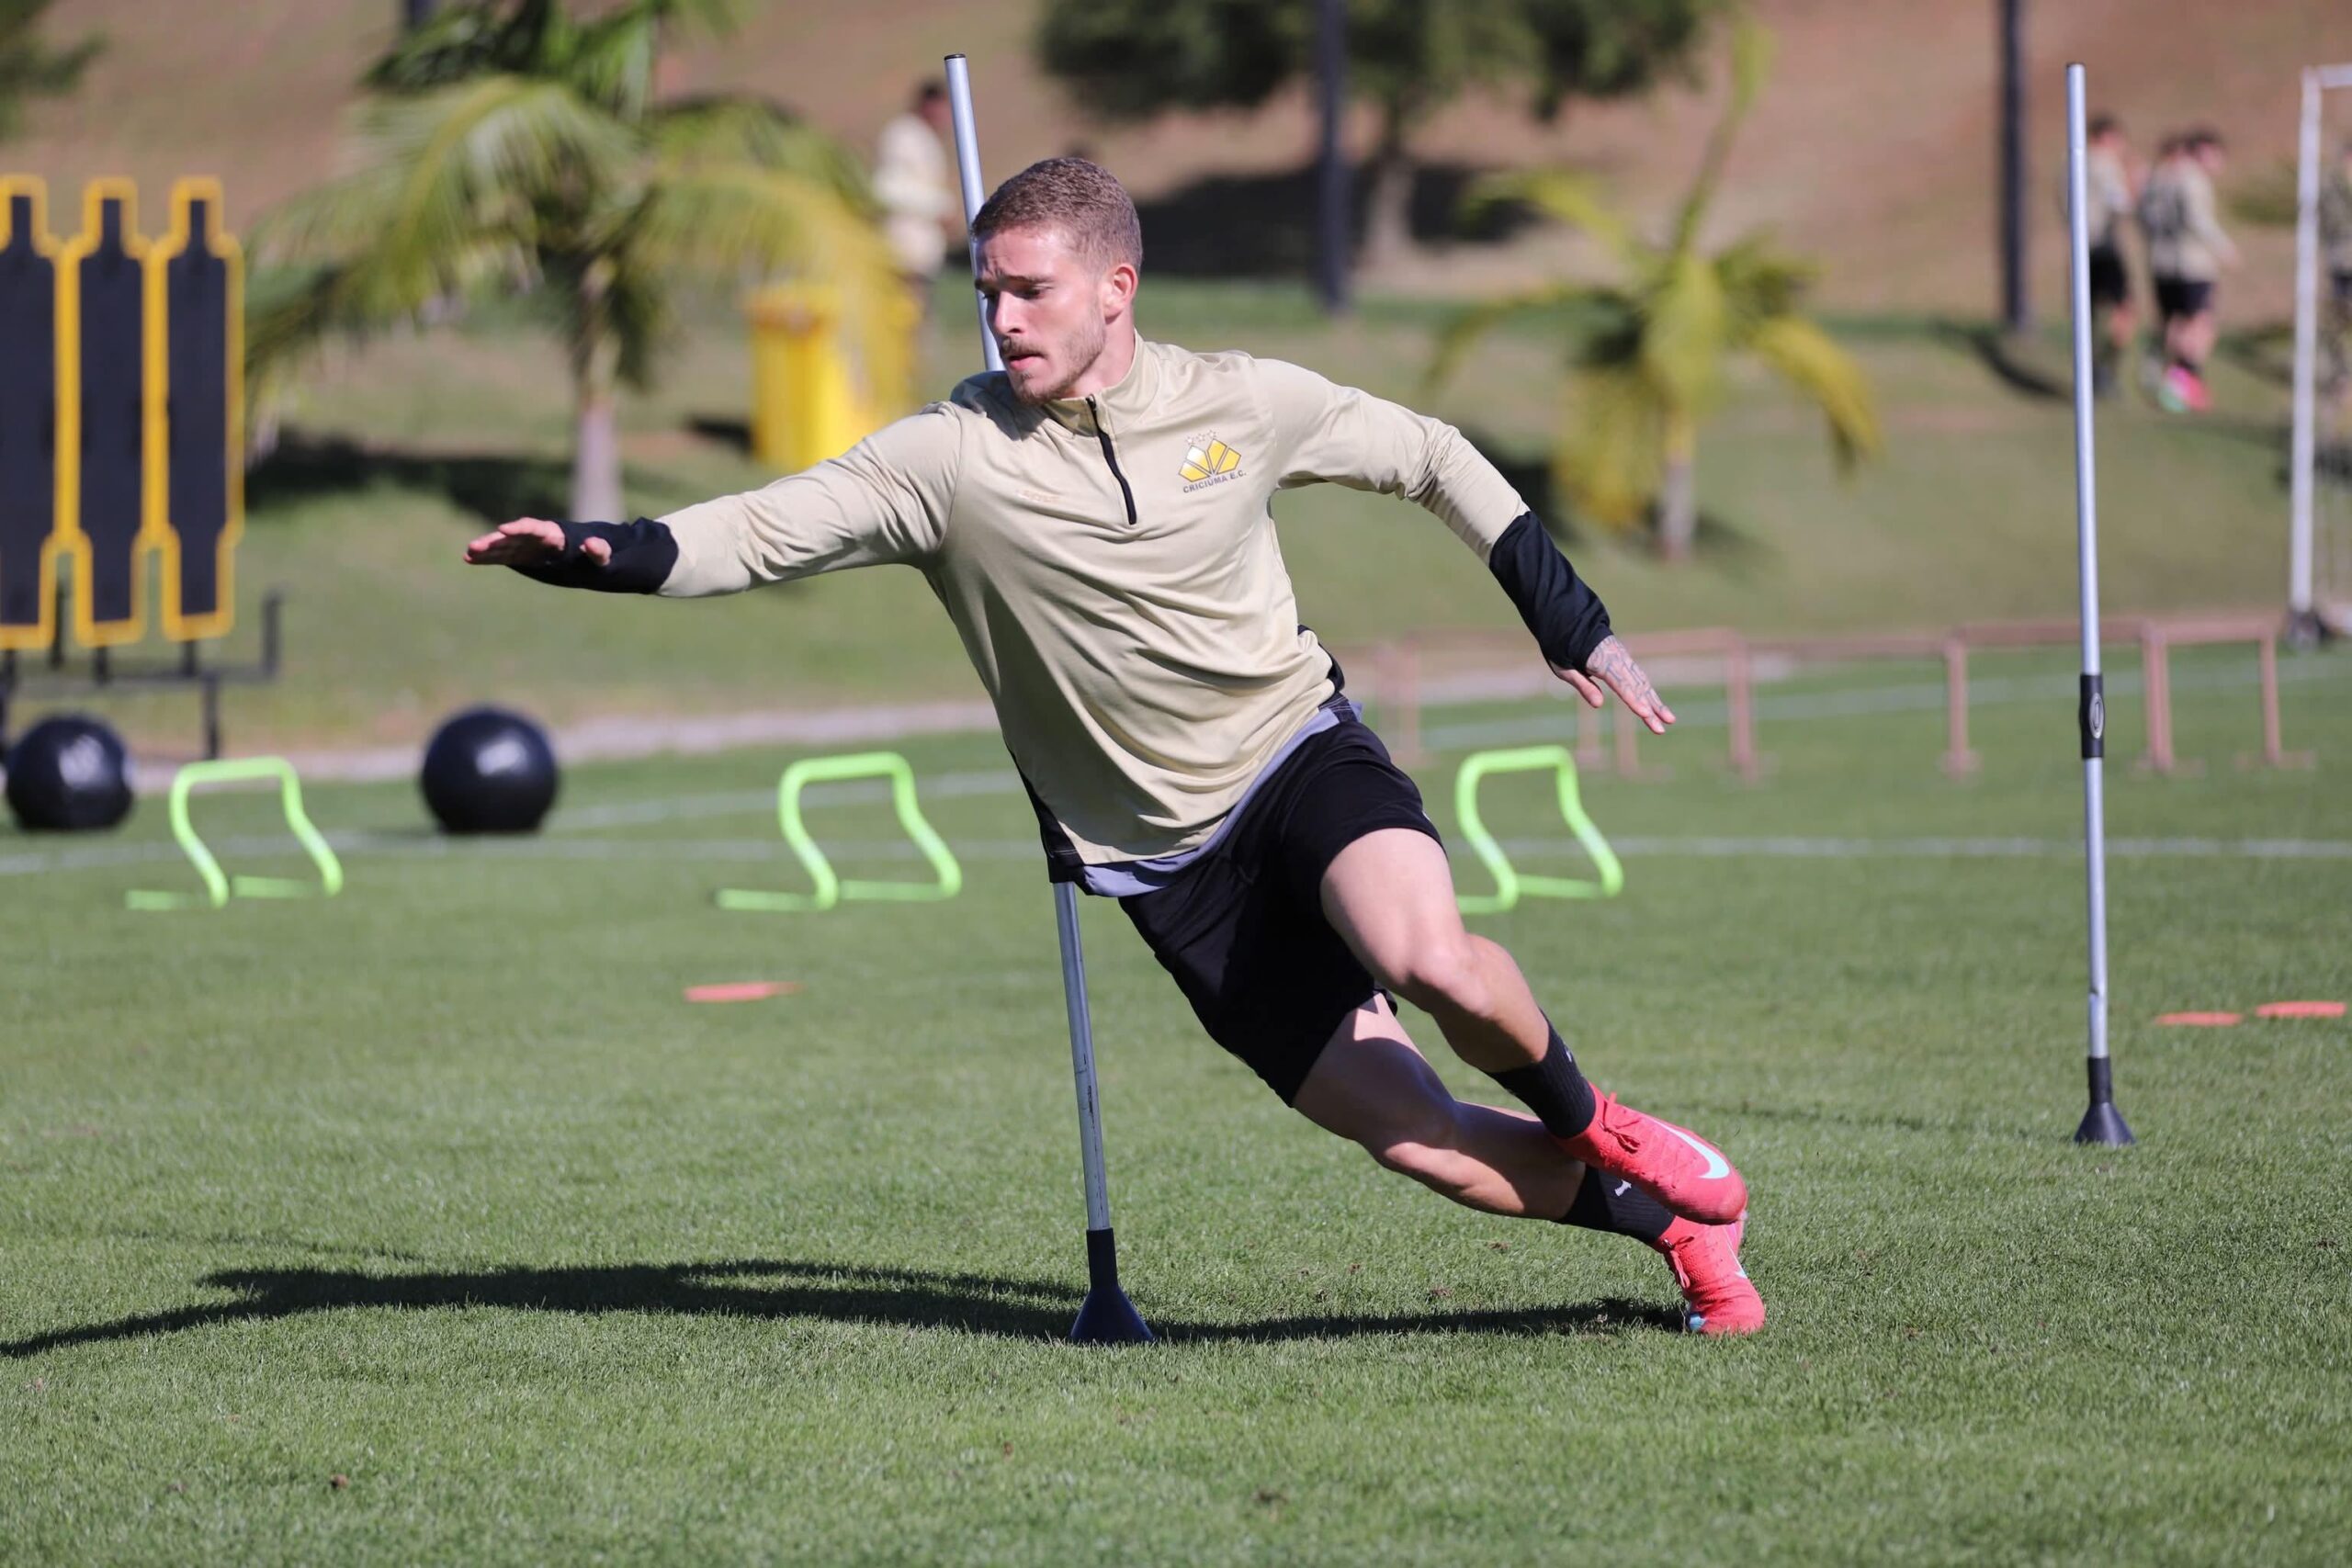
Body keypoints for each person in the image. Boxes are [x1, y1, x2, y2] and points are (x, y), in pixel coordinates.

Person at [464, 158, 1763, 1335]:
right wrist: (599, 555)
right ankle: (1676, 1225)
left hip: (1296, 756)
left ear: (1115, 287)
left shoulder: (1243, 402)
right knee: (1419, 1135)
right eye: (990, 294)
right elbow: (759, 529)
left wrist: (1568, 616)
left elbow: (1429, 455)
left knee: (1428, 956)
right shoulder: (950, 458)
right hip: (1165, 871)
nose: (1004, 319)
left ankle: (1603, 1123)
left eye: (1031, 291)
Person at [2140, 127, 2238, 412]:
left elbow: (2147, 217)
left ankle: (2167, 379)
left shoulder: (2161, 177)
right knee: (2200, 327)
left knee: (2178, 325)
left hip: (2163, 262)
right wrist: (2223, 246)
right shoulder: (2192, 179)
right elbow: (2197, 219)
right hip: (2193, 265)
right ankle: (2180, 385)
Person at [873, 81, 956, 315]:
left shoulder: (924, 137)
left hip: (921, 251)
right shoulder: (903, 135)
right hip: (904, 246)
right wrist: (939, 207)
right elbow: (887, 187)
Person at [2076, 114, 2140, 397]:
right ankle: (2104, 370)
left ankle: (2094, 371)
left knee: (2087, 314)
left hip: (2081, 246)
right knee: (2123, 310)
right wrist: (2135, 184)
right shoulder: (2103, 163)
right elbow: (2121, 202)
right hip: (2103, 246)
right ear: (2105, 137)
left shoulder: (2071, 160)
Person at [2320, 137, 2352, 400]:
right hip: (2342, 263)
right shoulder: (2333, 186)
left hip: (2341, 260)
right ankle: (2341, 376)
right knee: (2339, 320)